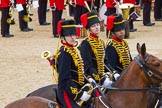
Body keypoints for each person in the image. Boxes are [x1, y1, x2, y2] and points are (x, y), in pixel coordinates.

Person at [52, 19, 92, 107]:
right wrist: (78, 94)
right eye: (70, 35)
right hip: (67, 92)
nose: (73, 37)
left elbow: (79, 72)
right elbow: (64, 79)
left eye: (74, 34)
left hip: (78, 87)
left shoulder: (73, 50)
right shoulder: (64, 53)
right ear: (63, 37)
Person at [80, 10, 112, 87]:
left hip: (104, 75)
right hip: (91, 77)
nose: (97, 27)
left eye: (97, 25)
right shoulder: (86, 43)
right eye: (93, 26)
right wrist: (101, 79)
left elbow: (105, 62)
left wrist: (113, 72)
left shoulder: (101, 42)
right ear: (88, 29)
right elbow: (88, 66)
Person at [105, 13, 132, 80]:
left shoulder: (124, 43)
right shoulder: (111, 47)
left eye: (123, 29)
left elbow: (130, 61)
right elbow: (112, 67)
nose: (122, 32)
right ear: (112, 33)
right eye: (118, 30)